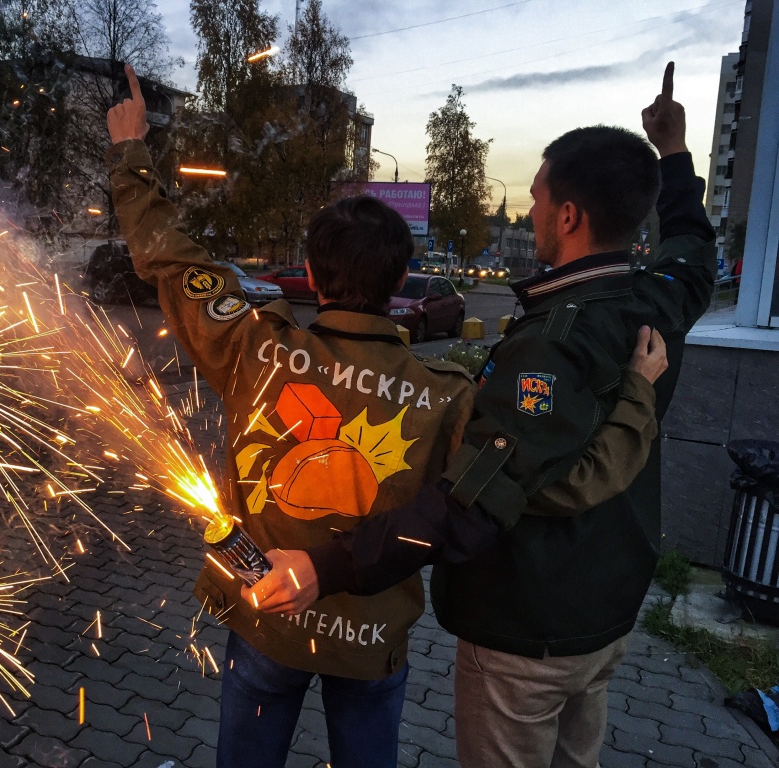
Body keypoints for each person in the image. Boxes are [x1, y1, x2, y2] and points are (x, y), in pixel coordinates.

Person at [105, 65, 665, 768]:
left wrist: (130, 154)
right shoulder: (450, 394)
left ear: (309, 275)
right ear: (402, 282)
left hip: (264, 614)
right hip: (371, 640)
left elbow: (168, 260)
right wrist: (635, 401)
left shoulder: (253, 346)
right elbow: (545, 486)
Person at [248, 62, 716, 768]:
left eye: (535, 199)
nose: (529, 212)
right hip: (607, 617)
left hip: (528, 635)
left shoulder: (551, 346)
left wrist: (328, 565)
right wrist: (675, 154)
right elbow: (697, 253)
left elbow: (469, 508)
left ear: (568, 216)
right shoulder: (658, 298)